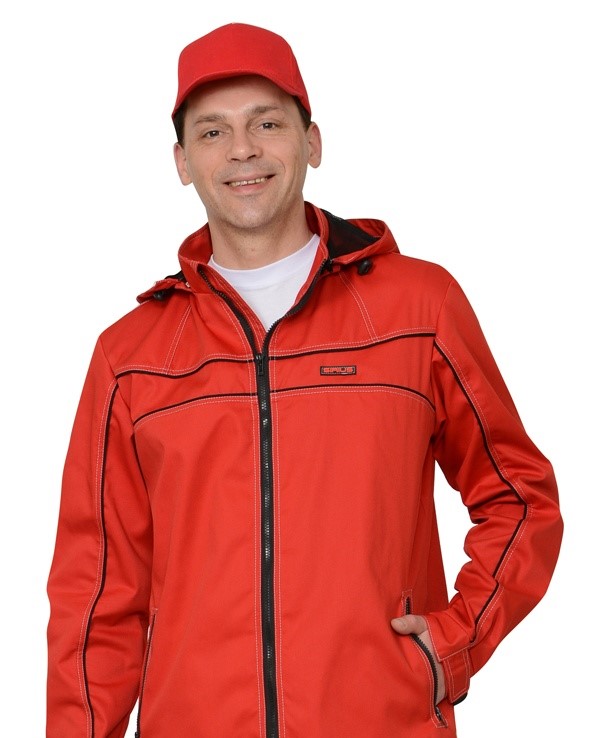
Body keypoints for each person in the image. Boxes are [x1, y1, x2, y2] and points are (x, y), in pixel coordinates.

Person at [46, 22, 563, 738]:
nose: (242, 150)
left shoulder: (419, 310)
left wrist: (455, 641)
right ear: (182, 162)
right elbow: (96, 593)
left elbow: (519, 498)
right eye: (212, 132)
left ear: (311, 142)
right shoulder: (131, 355)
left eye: (266, 123)